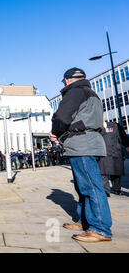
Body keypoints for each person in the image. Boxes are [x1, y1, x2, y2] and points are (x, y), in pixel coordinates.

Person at [50, 67, 112, 242]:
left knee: (91, 187)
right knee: (83, 186)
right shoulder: (91, 93)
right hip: (90, 141)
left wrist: (55, 132)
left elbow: (61, 117)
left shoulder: (74, 92)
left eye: (64, 81)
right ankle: (85, 221)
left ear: (67, 80)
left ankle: (100, 228)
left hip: (82, 144)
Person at [98, 117, 129, 197]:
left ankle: (116, 189)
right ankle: (106, 191)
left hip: (116, 151)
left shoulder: (115, 125)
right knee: (103, 172)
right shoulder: (96, 127)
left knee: (116, 171)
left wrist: (127, 146)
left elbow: (123, 136)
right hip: (103, 153)